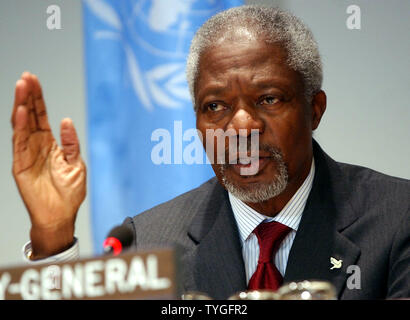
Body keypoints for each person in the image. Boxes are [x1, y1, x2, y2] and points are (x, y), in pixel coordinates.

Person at [11, 6, 409, 299]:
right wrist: (54, 238)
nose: (240, 128)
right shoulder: (148, 241)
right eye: (215, 106)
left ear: (315, 109)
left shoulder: (397, 220)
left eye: (268, 98)